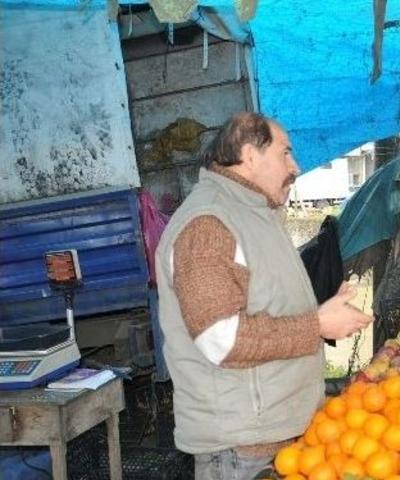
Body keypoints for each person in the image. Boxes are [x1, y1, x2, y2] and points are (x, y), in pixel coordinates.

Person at [155, 113, 372, 479]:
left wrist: (320, 316)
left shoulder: (253, 213)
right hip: (242, 451)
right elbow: (220, 338)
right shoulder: (208, 224)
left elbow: (266, 306)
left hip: (276, 436)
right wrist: (317, 324)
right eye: (285, 153)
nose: (295, 166)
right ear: (250, 155)